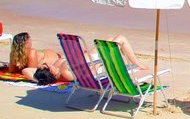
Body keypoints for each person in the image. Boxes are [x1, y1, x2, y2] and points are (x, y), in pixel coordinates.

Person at [9, 32, 144, 83]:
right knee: (120, 39)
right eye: (46, 67)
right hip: (96, 60)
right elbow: (89, 75)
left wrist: (40, 78)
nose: (46, 64)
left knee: (110, 38)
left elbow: (25, 71)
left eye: (45, 65)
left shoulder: (54, 69)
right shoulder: (65, 73)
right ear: (52, 73)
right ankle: (136, 63)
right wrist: (101, 61)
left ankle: (135, 62)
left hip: (89, 56)